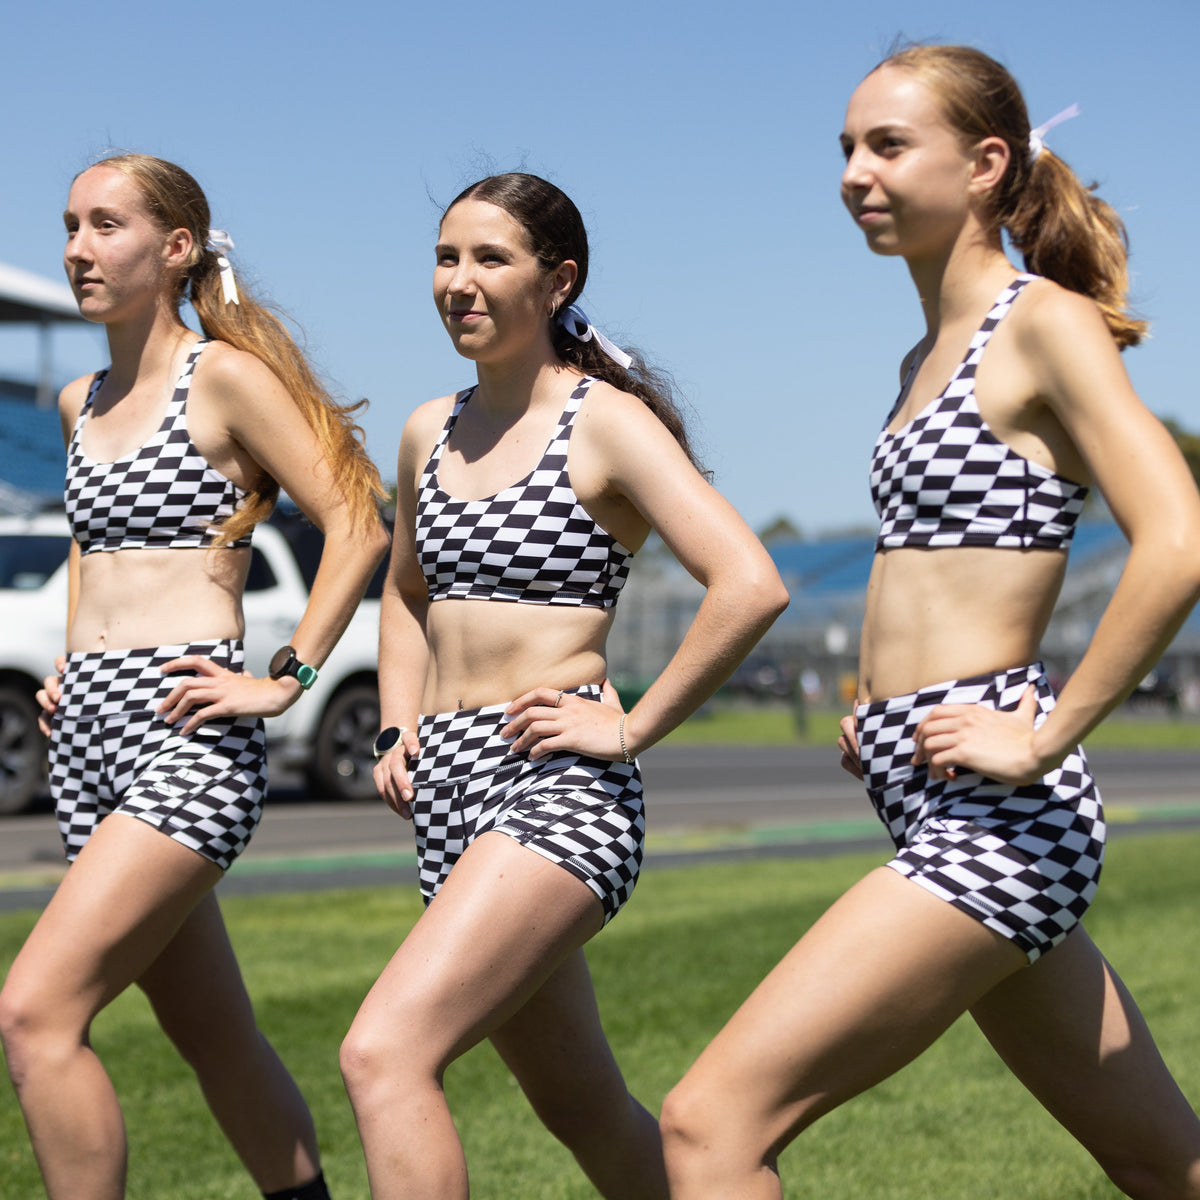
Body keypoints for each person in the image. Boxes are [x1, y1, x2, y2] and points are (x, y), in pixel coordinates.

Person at [660, 44, 1200, 1199]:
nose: (856, 172)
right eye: (847, 148)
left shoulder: (1042, 323)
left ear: (985, 164)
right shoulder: (921, 358)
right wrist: (881, 711)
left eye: (888, 145)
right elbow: (941, 563)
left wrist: (1044, 735)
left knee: (710, 1127)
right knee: (1165, 1162)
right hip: (925, 790)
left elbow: (1179, 539)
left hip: (1006, 813)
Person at [338, 171, 789, 1199]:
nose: (460, 281)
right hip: (447, 793)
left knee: (384, 1054)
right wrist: (394, 727)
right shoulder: (427, 430)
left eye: (490, 258)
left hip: (557, 791)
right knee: (583, 1108)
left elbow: (748, 585)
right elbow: (405, 595)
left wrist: (631, 731)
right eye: (447, 258)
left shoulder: (606, 423)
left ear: (557, 281)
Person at [0, 154, 390, 1200]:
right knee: (213, 1036)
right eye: (70, 225)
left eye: (106, 225)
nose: (78, 247)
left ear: (175, 249)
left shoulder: (218, 377)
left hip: (186, 731)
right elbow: (92, 547)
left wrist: (286, 676)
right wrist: (71, 663)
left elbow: (357, 520)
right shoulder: (82, 398)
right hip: (87, 736)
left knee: (35, 1014)